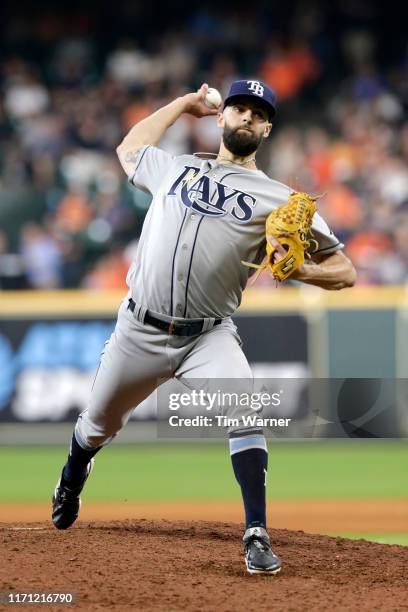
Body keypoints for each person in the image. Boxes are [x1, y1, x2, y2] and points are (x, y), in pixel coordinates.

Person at [52, 80, 356, 575]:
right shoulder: (178, 166)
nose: (247, 118)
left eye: (258, 114)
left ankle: (256, 534)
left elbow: (346, 271)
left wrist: (302, 270)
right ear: (221, 117)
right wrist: (181, 105)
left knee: (245, 409)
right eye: (239, 108)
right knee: (96, 427)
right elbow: (129, 148)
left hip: (207, 336)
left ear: (268, 129)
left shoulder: (279, 199)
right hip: (138, 330)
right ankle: (72, 475)